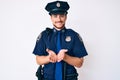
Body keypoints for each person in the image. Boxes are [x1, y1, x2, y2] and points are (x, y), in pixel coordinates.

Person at [33, 1, 88, 80]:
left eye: (62, 15)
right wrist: (49, 58)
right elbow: (38, 60)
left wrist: (65, 57)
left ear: (66, 17)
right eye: (55, 16)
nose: (59, 19)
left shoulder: (74, 35)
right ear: (51, 17)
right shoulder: (44, 35)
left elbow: (80, 63)